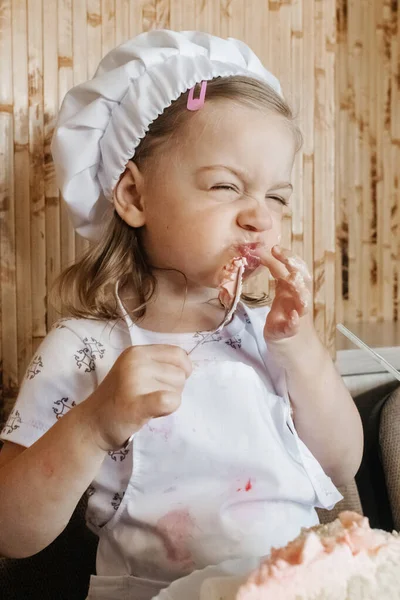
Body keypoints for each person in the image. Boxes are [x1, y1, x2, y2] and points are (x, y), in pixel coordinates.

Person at [0, 30, 363, 600]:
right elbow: (11, 532)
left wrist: (301, 349)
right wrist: (95, 423)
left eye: (277, 197)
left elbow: (343, 464)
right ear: (135, 198)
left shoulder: (266, 333)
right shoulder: (84, 347)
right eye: (226, 185)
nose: (259, 218)